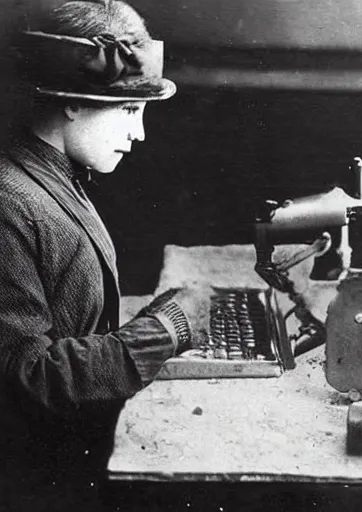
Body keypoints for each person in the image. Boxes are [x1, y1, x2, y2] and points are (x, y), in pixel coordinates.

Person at [0, 1, 210, 510]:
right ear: (71, 102)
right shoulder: (10, 202)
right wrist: (164, 331)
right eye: (129, 110)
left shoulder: (53, 179)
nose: (138, 133)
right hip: (41, 484)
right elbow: (29, 376)